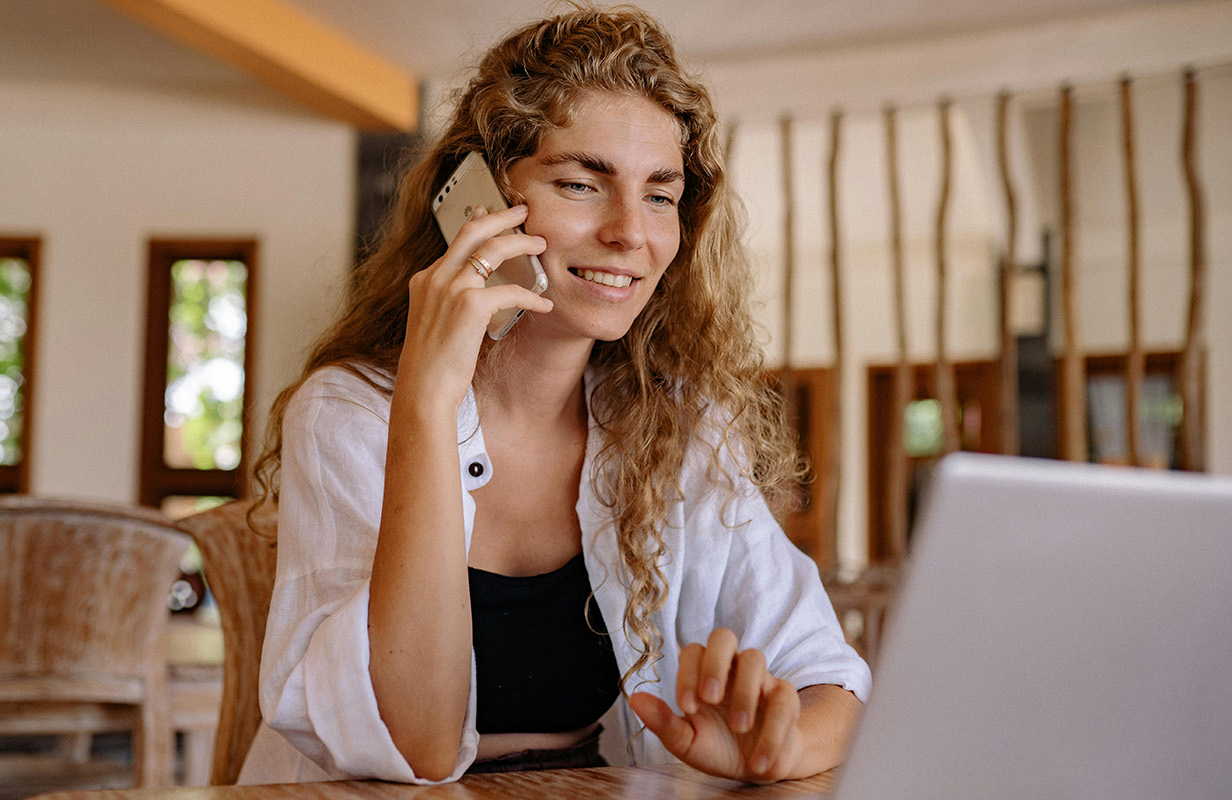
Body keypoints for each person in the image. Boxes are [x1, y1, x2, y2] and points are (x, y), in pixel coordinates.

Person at [238, 5, 870, 786]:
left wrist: (780, 747)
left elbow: (832, 682)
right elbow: (420, 748)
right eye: (580, 183)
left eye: (660, 196)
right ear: (475, 201)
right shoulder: (349, 413)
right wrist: (429, 404)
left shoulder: (677, 424)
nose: (629, 233)